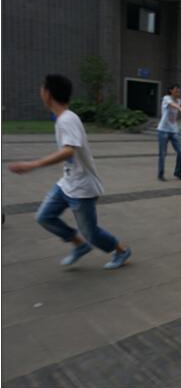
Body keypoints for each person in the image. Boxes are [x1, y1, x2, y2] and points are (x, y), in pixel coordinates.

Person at [8, 74, 132, 269]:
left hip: (82, 188)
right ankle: (79, 245)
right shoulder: (62, 118)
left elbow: (68, 150)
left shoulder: (67, 119)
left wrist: (33, 164)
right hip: (67, 183)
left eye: (42, 88)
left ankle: (122, 251)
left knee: (91, 232)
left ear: (48, 93)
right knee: (44, 217)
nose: (40, 92)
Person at [157, 84, 181, 181]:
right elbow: (172, 104)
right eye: (176, 90)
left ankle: (178, 173)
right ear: (171, 91)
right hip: (163, 130)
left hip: (174, 130)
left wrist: (179, 107)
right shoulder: (166, 98)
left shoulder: (179, 100)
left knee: (180, 153)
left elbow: (176, 105)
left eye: (179, 91)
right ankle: (161, 174)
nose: (178, 92)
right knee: (163, 154)